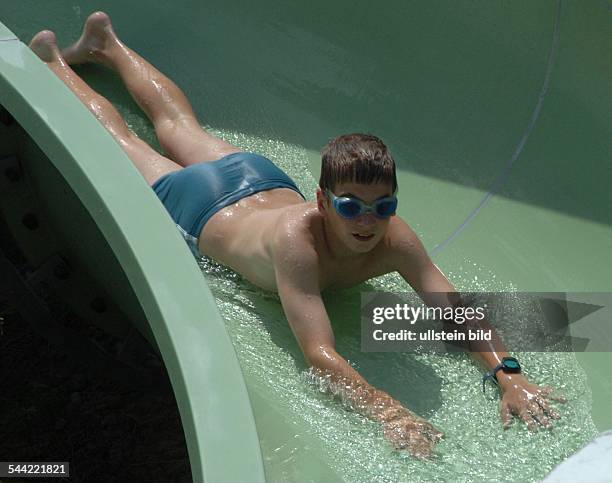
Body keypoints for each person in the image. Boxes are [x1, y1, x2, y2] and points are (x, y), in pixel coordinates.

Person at [29, 11, 564, 458]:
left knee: (180, 127)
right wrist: (387, 410)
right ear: (324, 202)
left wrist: (507, 373)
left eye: (382, 207)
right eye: (351, 206)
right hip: (202, 203)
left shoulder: (394, 236)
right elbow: (319, 354)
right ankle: (54, 63)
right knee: (129, 144)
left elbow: (454, 307)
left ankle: (108, 44)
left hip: (258, 178)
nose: (367, 221)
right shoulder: (297, 245)